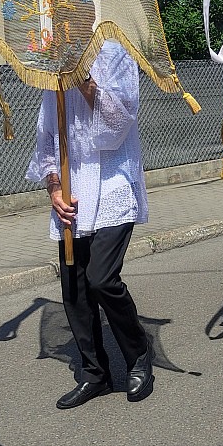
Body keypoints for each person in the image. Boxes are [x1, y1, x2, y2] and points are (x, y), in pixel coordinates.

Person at [25, 40, 154, 409]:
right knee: (75, 286)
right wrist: (53, 187)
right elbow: (47, 138)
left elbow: (117, 124)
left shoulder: (116, 55)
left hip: (113, 185)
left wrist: (81, 75)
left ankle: (138, 354)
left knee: (101, 278)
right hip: (72, 190)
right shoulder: (52, 69)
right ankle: (95, 373)